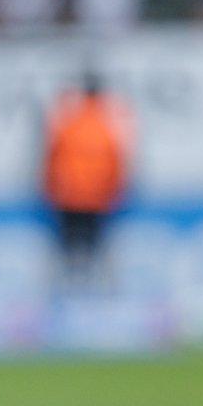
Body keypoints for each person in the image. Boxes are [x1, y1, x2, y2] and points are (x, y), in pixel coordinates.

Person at [40, 72, 133, 288]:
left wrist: (51, 188)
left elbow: (52, 159)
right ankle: (102, 289)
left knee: (66, 247)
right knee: (97, 247)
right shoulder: (106, 128)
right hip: (98, 199)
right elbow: (117, 165)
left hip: (69, 197)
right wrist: (114, 191)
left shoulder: (68, 124)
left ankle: (62, 288)